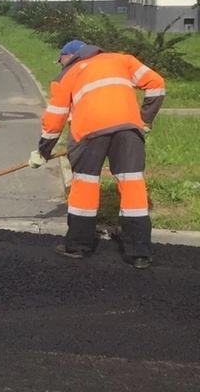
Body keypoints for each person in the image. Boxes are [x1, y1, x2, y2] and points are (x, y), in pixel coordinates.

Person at [30, 39, 166, 268]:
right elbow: (157, 84)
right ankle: (139, 253)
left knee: (85, 184)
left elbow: (55, 117)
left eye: (61, 60)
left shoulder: (68, 74)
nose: (60, 65)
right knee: (133, 185)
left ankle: (77, 246)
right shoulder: (123, 60)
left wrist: (42, 151)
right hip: (128, 131)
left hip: (89, 133)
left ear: (70, 56)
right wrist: (144, 121)